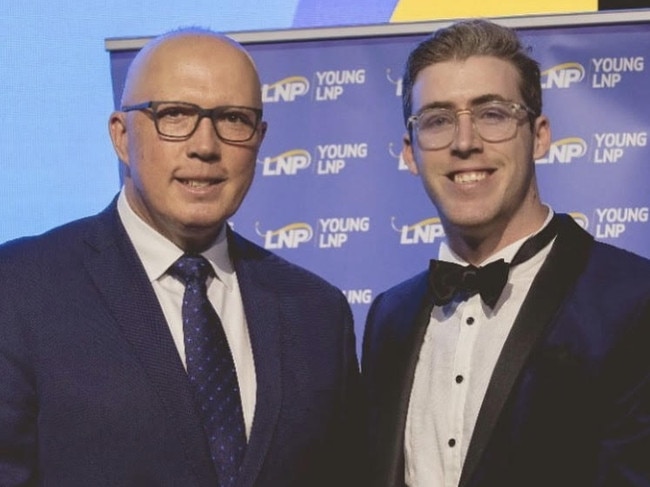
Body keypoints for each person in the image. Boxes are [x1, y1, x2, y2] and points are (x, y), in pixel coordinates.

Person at [0, 28, 364, 486]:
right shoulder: (19, 289)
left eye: (233, 119)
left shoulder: (316, 312)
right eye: (174, 114)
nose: (205, 146)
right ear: (121, 135)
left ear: (260, 138)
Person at [362, 19, 650, 487]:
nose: (464, 142)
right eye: (437, 120)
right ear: (410, 153)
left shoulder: (633, 301)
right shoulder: (388, 318)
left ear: (538, 135)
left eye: (492, 114)